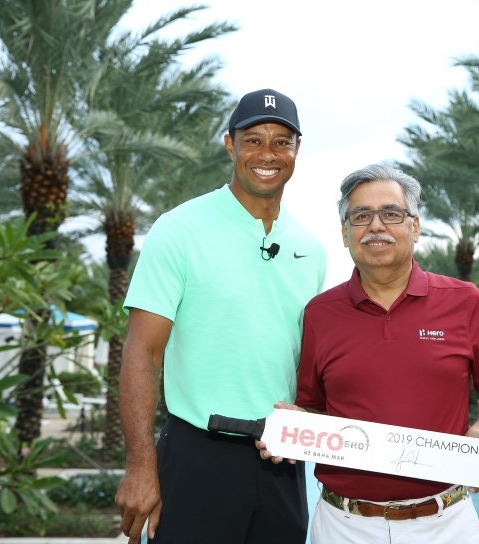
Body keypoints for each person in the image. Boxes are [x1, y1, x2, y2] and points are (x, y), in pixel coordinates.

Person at [114, 88, 327, 544]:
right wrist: (139, 465)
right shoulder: (179, 229)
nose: (267, 153)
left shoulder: (312, 248)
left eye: (280, 141)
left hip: (283, 457)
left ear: (296, 151)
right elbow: (142, 352)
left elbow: (310, 362)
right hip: (197, 455)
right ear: (230, 145)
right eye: (253, 140)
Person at [269, 164, 479, 543]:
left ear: (414, 227)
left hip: (446, 523)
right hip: (343, 526)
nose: (376, 226)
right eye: (361, 216)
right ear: (346, 233)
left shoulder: (464, 301)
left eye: (391, 214)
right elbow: (315, 409)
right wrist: (291, 427)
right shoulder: (319, 314)